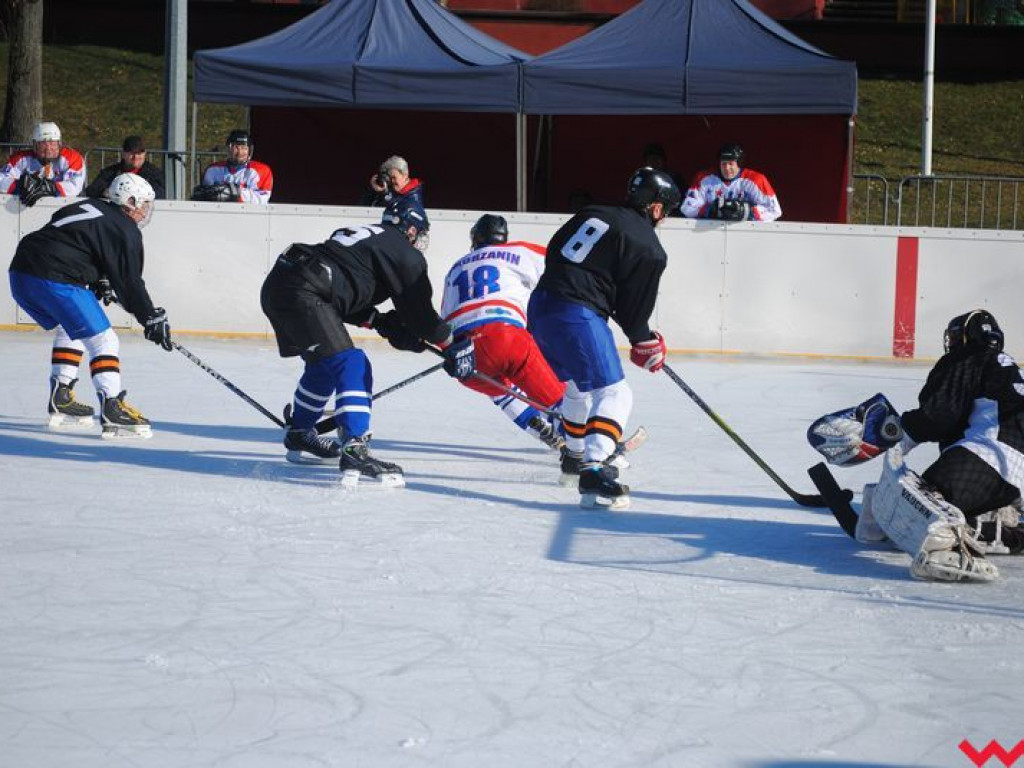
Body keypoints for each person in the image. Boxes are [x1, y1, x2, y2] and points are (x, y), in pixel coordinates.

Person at [260, 203, 473, 487]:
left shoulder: (363, 237)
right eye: (420, 233)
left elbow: (341, 292)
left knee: (324, 363)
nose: (421, 241)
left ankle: (300, 432)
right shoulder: (404, 251)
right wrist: (450, 343)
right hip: (306, 290)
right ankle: (355, 448)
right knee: (352, 362)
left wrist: (381, 322)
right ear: (411, 230)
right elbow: (420, 316)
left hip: (280, 283)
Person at [809, 310, 1024, 582]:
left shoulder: (967, 357)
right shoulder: (1007, 369)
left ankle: (941, 547)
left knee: (921, 502)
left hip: (989, 455)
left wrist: (898, 431)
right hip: (1012, 469)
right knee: (940, 500)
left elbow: (939, 416)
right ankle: (1005, 528)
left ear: (963, 337)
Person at [528, 167, 681, 509]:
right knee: (614, 391)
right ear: (656, 207)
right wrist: (645, 340)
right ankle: (594, 469)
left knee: (577, 387)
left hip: (539, 307)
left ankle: (574, 457)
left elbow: (554, 251)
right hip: (576, 314)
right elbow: (634, 313)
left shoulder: (592, 212)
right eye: (666, 211)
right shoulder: (650, 247)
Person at [7, 174, 171, 438]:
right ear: (129, 201)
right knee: (104, 341)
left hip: (21, 274)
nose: (145, 211)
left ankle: (61, 395)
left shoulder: (88, 205)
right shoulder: (124, 228)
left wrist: (95, 277)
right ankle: (112, 406)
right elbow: (129, 282)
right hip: (56, 279)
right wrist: (149, 316)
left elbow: (70, 240)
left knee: (70, 327)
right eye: (143, 204)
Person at [439, 214, 566, 450]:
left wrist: (452, 355)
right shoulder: (518, 251)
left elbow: (443, 326)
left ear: (475, 238)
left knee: (498, 388)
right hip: (506, 337)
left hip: (467, 352)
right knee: (562, 401)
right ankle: (594, 447)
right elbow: (564, 264)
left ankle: (534, 422)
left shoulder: (455, 269)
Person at [680, 143, 781, 222]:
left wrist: (747, 212)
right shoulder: (704, 178)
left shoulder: (756, 179)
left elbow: (774, 210)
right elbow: (686, 207)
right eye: (723, 164)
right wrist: (709, 210)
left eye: (731, 164)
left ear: (739, 164)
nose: (727, 168)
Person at [0, 121, 86, 207]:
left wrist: (48, 188)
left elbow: (74, 186)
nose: (48, 148)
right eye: (43, 144)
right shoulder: (21, 158)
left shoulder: (73, 158)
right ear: (35, 146)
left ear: (59, 144)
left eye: (52, 143)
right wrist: (20, 186)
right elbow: (1, 179)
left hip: (64, 207)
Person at [192, 129, 273, 204]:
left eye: (244, 148)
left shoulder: (261, 170)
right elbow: (204, 199)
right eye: (236, 147)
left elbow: (262, 199)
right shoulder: (213, 170)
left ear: (250, 151)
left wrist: (236, 194)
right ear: (229, 149)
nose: (240, 152)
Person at [84, 135, 166, 200]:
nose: (136, 157)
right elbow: (91, 190)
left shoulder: (154, 174)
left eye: (139, 153)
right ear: (123, 154)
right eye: (131, 153)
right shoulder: (110, 172)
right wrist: (105, 192)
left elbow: (162, 194)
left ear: (145, 153)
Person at [365, 155, 428, 230]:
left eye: (394, 178)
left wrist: (385, 194)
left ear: (405, 176)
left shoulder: (413, 197)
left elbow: (399, 210)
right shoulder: (394, 194)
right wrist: (374, 191)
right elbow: (365, 208)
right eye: (389, 178)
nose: (392, 181)